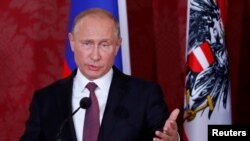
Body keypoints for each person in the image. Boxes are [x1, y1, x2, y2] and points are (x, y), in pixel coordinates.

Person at [20, 8, 180, 141]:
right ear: (72, 42)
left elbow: (163, 136)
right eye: (87, 43)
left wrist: (174, 139)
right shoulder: (46, 100)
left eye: (105, 45)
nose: (95, 56)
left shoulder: (145, 95)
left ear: (117, 46)